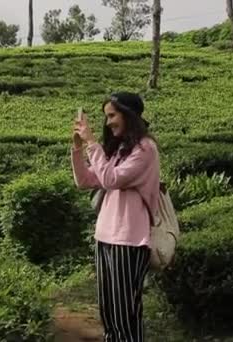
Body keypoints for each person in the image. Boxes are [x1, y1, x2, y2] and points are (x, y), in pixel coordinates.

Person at [71, 92, 160, 341]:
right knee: (109, 313)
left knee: (125, 314)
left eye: (112, 115)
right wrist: (78, 149)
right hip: (105, 236)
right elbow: (85, 180)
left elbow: (112, 180)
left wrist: (91, 142)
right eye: (106, 117)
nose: (108, 122)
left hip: (129, 240)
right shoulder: (120, 149)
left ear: (129, 115)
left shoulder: (145, 149)